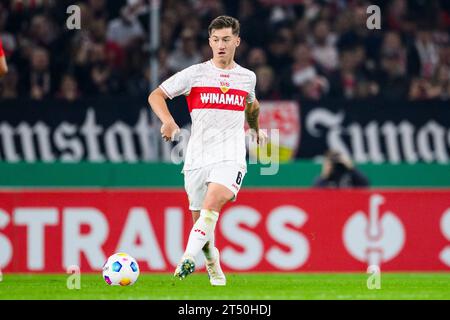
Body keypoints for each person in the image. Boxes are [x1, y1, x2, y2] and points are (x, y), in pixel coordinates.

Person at [148, 15, 266, 286]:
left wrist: (255, 130)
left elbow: (253, 106)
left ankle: (187, 258)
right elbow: (156, 95)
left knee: (213, 203)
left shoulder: (247, 77)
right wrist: (167, 120)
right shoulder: (195, 73)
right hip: (197, 158)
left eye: (226, 39)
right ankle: (213, 264)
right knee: (201, 223)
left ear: (237, 41)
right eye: (216, 40)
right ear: (210, 42)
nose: (221, 45)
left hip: (231, 156)